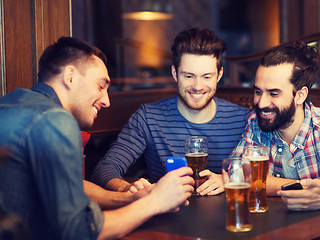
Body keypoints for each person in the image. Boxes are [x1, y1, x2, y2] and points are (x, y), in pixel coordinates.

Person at [0, 37, 194, 240]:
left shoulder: (10, 103)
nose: (107, 101)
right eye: (101, 86)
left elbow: (69, 184)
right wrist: (156, 201)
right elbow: (80, 231)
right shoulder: (55, 119)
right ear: (70, 77)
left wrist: (129, 198)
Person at [91, 27, 250, 196]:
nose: (197, 86)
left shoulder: (243, 119)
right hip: (168, 215)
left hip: (228, 216)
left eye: (206, 77)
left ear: (219, 75)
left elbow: (265, 174)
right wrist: (127, 189)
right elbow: (104, 169)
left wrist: (230, 180)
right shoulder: (148, 117)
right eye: (188, 76)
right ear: (175, 73)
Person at [231, 41, 320, 239]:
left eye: (274, 93)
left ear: (300, 95)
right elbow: (237, 176)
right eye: (258, 91)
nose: (261, 103)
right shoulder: (256, 123)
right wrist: (301, 187)